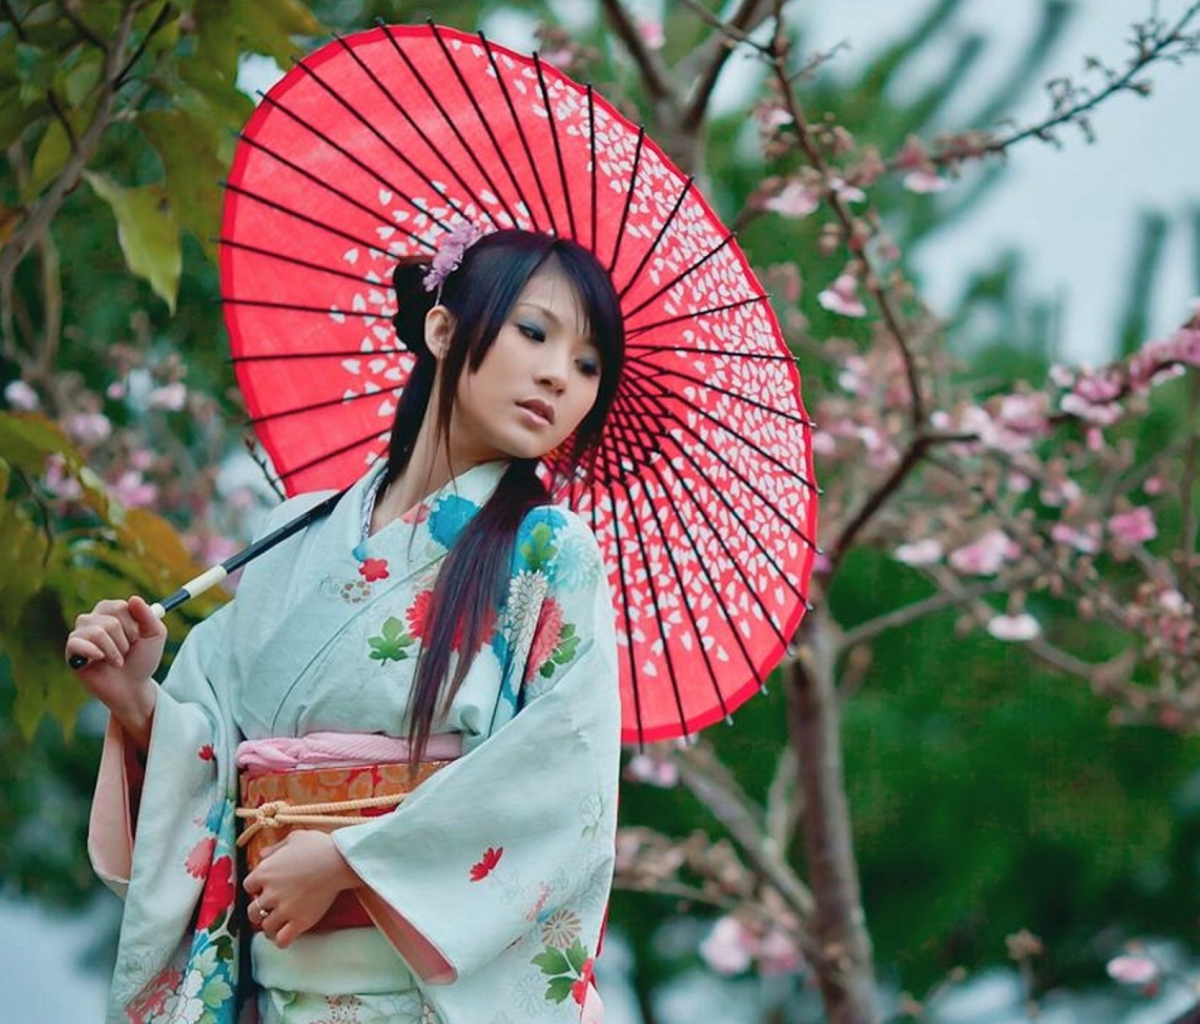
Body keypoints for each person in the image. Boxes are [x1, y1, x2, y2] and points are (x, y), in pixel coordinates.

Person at [66, 228, 626, 1024]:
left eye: (587, 365)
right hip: (276, 979)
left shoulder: (549, 551)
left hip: (422, 993)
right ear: (442, 329)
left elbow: (561, 780)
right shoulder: (297, 532)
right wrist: (136, 701)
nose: (555, 376)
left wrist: (348, 860)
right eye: (534, 332)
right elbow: (218, 747)